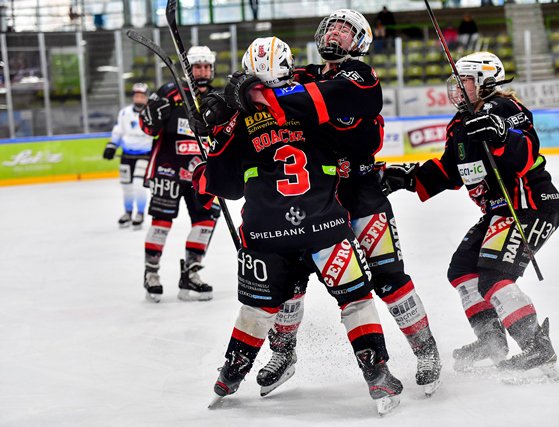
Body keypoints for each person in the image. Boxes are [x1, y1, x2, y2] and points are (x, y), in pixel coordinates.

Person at [192, 36, 403, 415]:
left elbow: (224, 186)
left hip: (265, 233)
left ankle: (230, 374)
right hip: (323, 225)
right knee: (355, 299)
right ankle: (377, 372)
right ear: (289, 67)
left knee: (257, 309)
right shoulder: (311, 99)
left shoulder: (239, 121)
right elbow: (360, 136)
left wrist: (216, 132)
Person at [240, 9, 442, 397]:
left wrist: (263, 95)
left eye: (346, 31)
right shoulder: (303, 76)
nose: (336, 33)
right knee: (291, 277)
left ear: (360, 43)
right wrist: (233, 93)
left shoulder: (359, 77)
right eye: (331, 27)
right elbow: (262, 86)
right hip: (317, 197)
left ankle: (425, 349)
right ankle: (283, 353)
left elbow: (321, 100)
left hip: (362, 193)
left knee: (387, 276)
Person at [381, 52, 559, 378]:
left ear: (485, 81)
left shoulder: (508, 109)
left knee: (494, 275)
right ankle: (492, 342)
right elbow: (451, 171)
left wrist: (500, 135)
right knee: (463, 270)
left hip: (530, 206)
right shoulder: (460, 124)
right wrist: (407, 178)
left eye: (464, 80)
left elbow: (526, 153)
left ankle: (537, 347)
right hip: (497, 213)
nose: (458, 86)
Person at [138, 46, 220, 303]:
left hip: (201, 172)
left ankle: (191, 273)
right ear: (189, 70)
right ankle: (151, 273)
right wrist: (152, 116)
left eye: (207, 67)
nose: (203, 71)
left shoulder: (217, 99)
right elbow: (147, 126)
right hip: (168, 170)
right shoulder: (169, 91)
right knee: (161, 222)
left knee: (206, 220)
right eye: (198, 67)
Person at [103, 82, 153, 230]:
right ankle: (128, 212)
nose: (139, 99)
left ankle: (140, 213)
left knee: (138, 186)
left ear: (146, 98)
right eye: (136, 96)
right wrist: (112, 145)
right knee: (126, 187)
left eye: (142, 96)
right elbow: (118, 131)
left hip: (145, 155)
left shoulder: (151, 113)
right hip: (127, 155)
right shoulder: (124, 113)